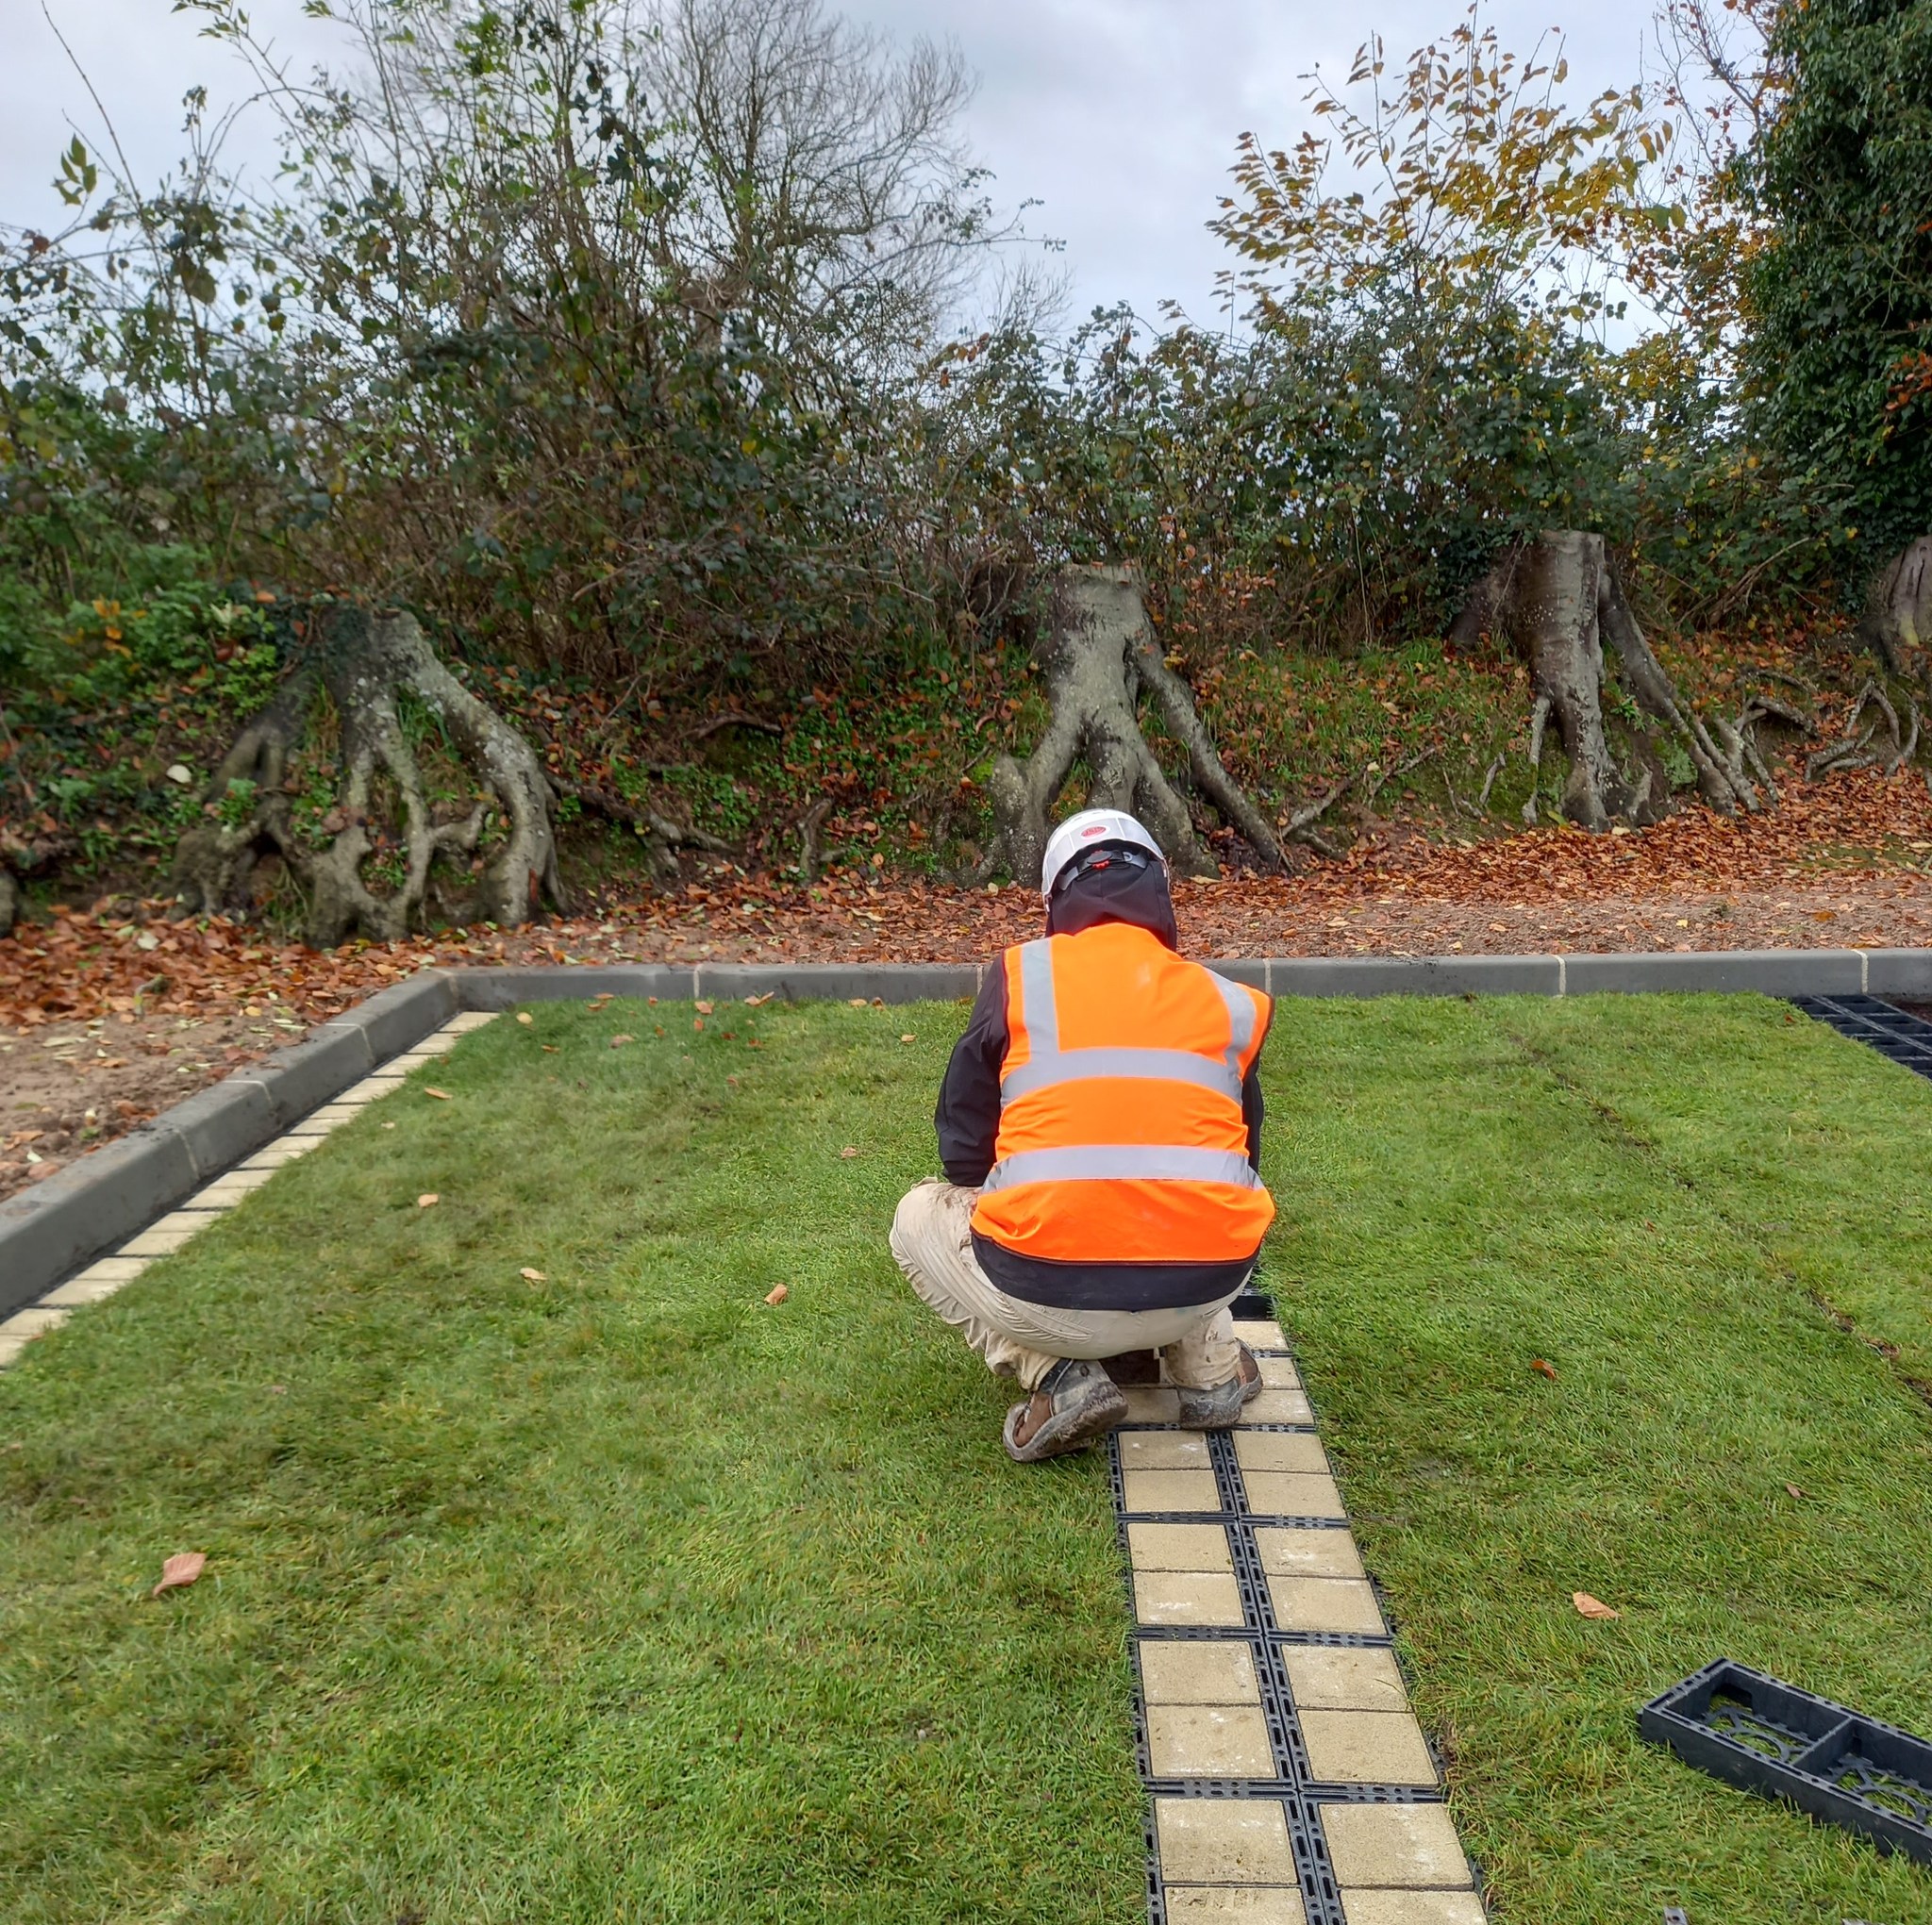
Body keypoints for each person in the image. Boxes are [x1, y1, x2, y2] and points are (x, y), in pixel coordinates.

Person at [890, 807, 1274, 1463]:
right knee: (1212, 1182)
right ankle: (1210, 1370)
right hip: (1207, 1280)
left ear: (1054, 899)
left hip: (1044, 1291)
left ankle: (1057, 1374)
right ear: (1161, 885)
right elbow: (1242, 1155)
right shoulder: (1227, 999)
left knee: (913, 1217)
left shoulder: (1021, 977)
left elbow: (962, 1147)